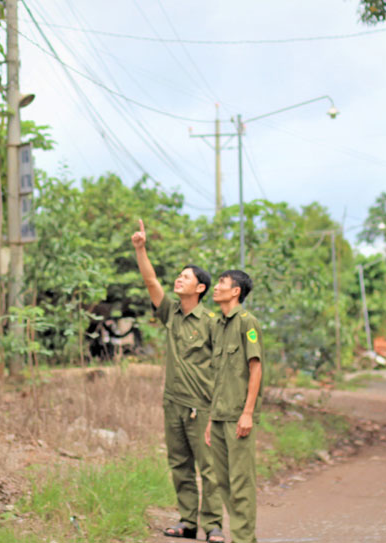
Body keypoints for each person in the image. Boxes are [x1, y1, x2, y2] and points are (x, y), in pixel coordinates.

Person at [132, 219, 224, 542]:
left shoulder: (213, 323)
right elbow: (150, 280)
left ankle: (213, 525)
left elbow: (225, 368)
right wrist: (140, 249)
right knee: (179, 464)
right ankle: (188, 523)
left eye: (186, 277)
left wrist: (218, 410)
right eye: (179, 275)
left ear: (200, 288)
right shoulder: (170, 312)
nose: (179, 279)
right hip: (173, 403)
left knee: (208, 468)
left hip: (202, 407)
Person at [204, 269, 263, 543]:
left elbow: (255, 368)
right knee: (224, 482)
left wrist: (248, 413)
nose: (216, 288)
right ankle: (240, 534)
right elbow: (218, 376)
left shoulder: (247, 323)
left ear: (236, 291)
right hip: (218, 415)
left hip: (238, 416)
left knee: (241, 483)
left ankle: (243, 539)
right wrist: (209, 420)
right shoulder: (218, 325)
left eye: (222, 283)